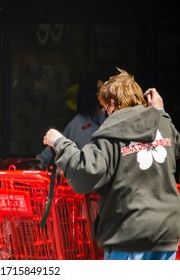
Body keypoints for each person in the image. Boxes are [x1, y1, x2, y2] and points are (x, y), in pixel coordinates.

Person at [43, 67, 180, 260]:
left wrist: (60, 142)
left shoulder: (111, 132)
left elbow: (85, 172)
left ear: (113, 104)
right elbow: (175, 147)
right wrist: (160, 111)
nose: (104, 113)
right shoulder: (162, 123)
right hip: (167, 230)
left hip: (129, 232)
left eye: (104, 107)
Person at [36, 77, 105, 169]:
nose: (105, 92)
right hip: (85, 172)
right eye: (100, 89)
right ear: (91, 94)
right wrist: (40, 161)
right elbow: (57, 142)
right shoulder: (77, 122)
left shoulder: (110, 117)